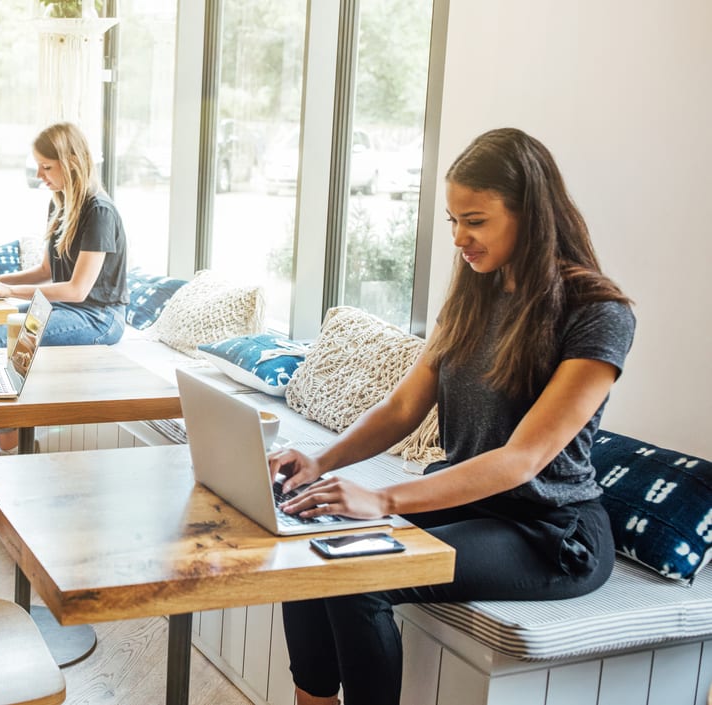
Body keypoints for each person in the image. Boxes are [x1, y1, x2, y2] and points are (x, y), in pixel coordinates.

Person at [272, 128, 635, 705]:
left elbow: (523, 460)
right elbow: (402, 408)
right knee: (312, 553)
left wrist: (384, 500)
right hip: (470, 503)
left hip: (548, 531)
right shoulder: (473, 295)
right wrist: (318, 462)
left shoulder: (598, 313)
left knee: (361, 581)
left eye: (477, 220)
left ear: (531, 214)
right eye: (452, 221)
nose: (461, 237)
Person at [0, 122, 129, 455]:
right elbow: (46, 271)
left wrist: (6, 292)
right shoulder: (59, 203)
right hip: (64, 308)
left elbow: (77, 290)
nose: (40, 175)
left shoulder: (99, 212)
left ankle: (7, 447)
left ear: (72, 161)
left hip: (99, 317)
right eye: (38, 167)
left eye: (47, 167)